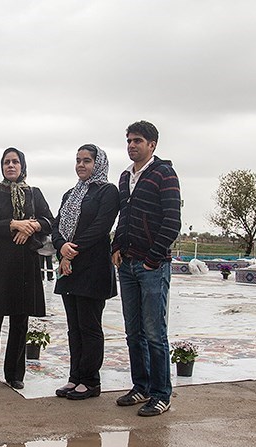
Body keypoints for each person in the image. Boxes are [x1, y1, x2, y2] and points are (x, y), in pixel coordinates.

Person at [111, 121, 181, 417]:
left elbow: (172, 220)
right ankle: (140, 386)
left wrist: (153, 257)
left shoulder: (164, 173)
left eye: (137, 141)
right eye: (128, 141)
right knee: (133, 331)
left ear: (152, 144)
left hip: (152, 266)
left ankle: (161, 394)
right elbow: (123, 217)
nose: (131, 146)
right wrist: (115, 246)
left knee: (155, 333)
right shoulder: (125, 176)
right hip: (127, 265)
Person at [0, 147, 54, 390]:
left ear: (22, 166)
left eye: (15, 162)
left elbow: (49, 221)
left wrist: (30, 226)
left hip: (25, 264)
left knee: (20, 321)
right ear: (2, 166)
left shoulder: (34, 193)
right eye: (7, 162)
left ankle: (15, 374)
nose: (11, 166)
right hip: (0, 263)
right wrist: (14, 225)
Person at [51, 144, 120, 400]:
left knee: (90, 326)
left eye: (87, 160)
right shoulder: (70, 194)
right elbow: (57, 226)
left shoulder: (107, 191)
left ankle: (91, 381)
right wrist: (61, 247)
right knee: (74, 327)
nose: (81, 165)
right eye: (78, 160)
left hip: (92, 267)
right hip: (69, 267)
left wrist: (71, 250)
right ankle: (75, 377)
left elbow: (101, 226)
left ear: (98, 164)